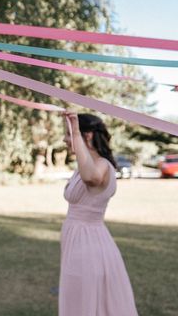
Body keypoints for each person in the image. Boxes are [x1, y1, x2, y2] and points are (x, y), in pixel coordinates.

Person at [59, 112, 138, 316]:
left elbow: (90, 178)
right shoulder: (82, 167)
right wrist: (77, 134)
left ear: (88, 136)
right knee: (79, 297)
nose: (65, 139)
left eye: (68, 134)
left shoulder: (102, 166)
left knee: (86, 300)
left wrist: (75, 130)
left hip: (88, 245)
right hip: (76, 240)